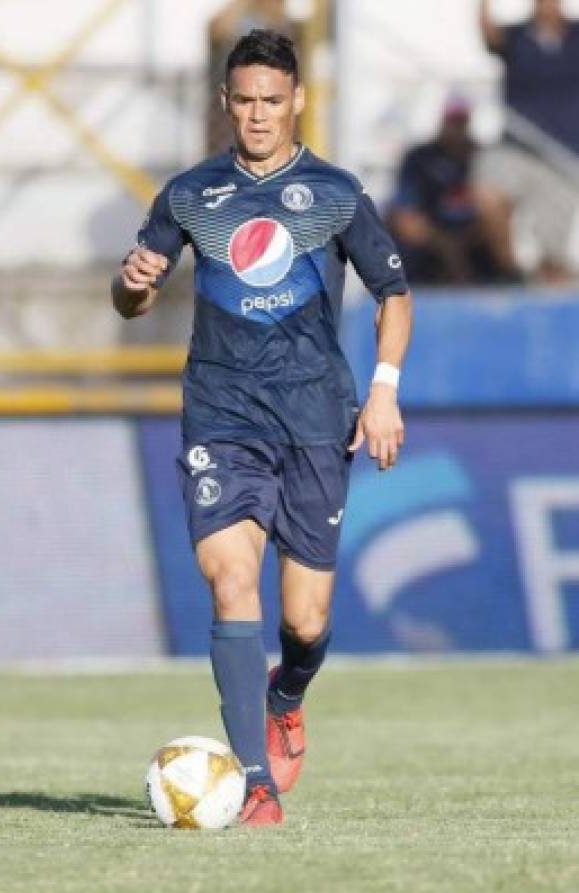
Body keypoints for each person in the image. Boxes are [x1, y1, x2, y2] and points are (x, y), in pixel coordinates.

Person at [112, 30, 412, 826]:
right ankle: (254, 783)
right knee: (229, 578)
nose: (256, 115)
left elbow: (394, 294)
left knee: (305, 622)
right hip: (221, 414)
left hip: (314, 420)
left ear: (296, 101)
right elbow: (134, 295)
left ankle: (286, 695)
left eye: (271, 101)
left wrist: (383, 392)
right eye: (243, 100)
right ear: (225, 102)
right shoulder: (190, 195)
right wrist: (132, 285)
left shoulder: (335, 194)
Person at [477, 0, 579, 280]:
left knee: (553, 259)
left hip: (562, 159)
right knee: (488, 196)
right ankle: (512, 273)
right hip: (517, 146)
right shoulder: (517, 35)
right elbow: (489, 36)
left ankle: (545, 278)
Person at [386, 97, 519, 284]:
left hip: (476, 245)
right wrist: (444, 244)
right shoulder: (419, 159)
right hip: (431, 245)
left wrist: (464, 242)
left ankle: (512, 276)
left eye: (461, 122)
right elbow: (405, 217)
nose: (457, 129)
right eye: (452, 122)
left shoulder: (483, 157)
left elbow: (503, 208)